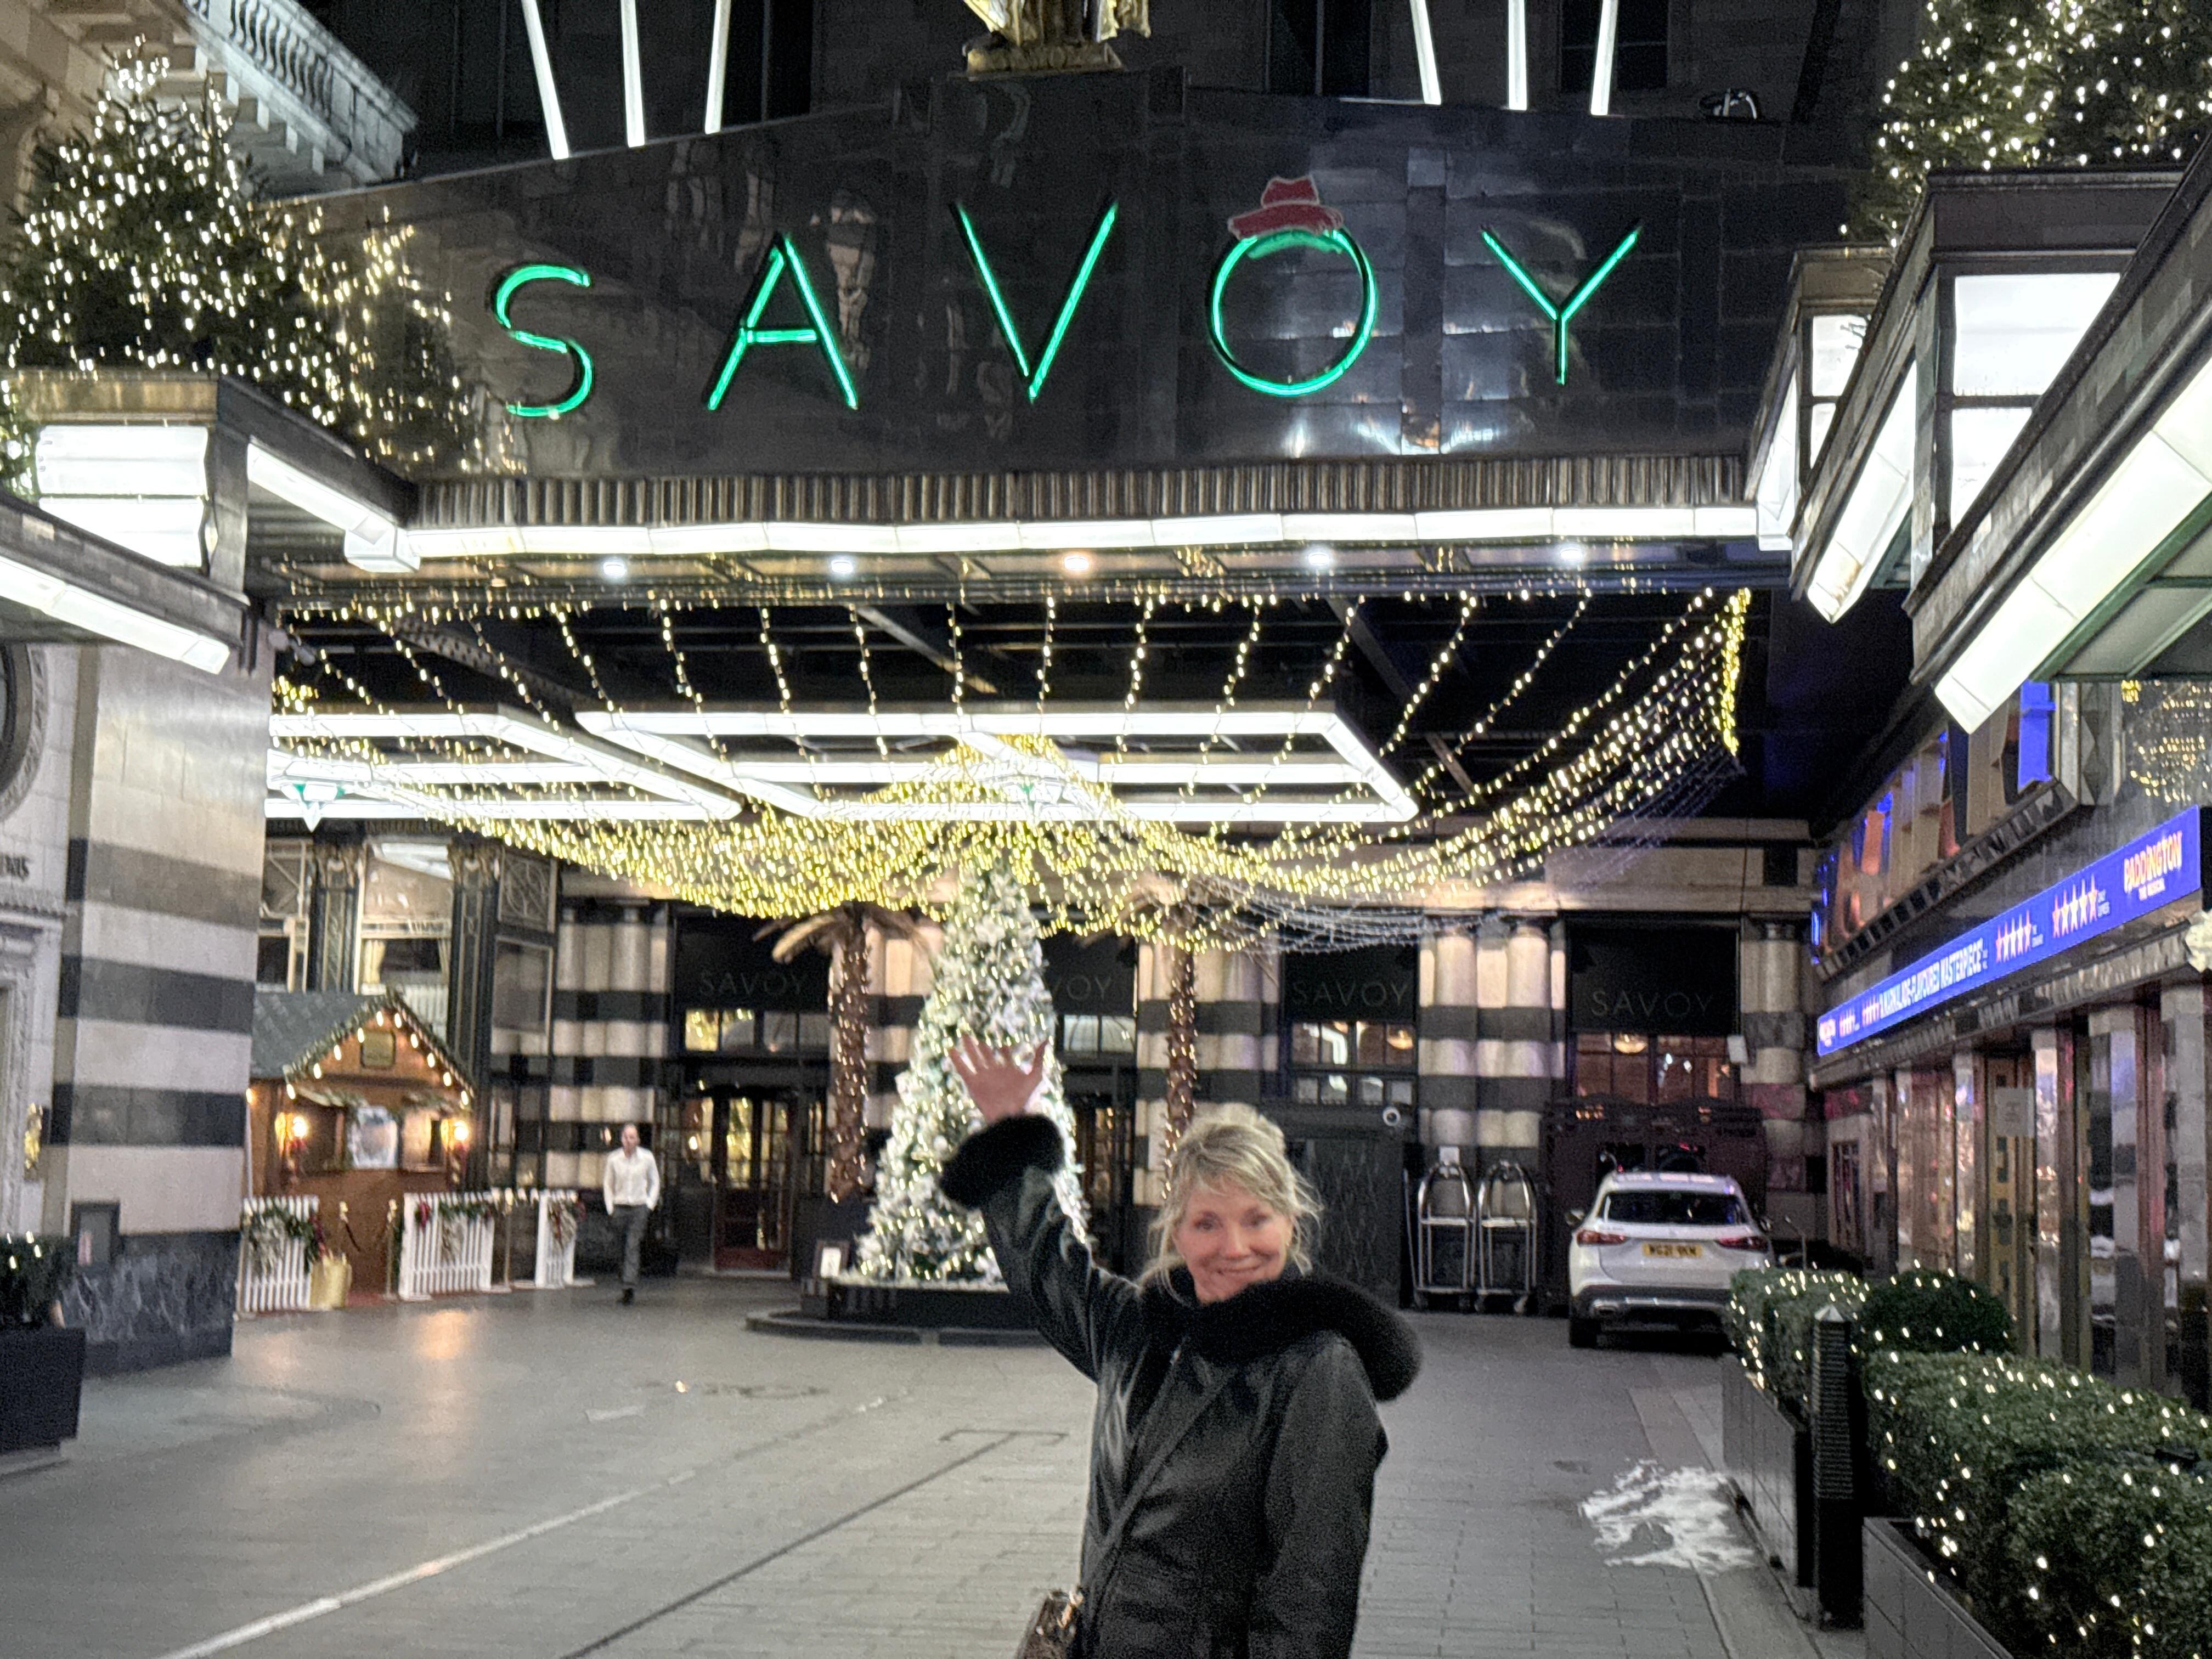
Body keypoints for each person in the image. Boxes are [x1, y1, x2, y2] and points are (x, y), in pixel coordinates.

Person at [941, 1037, 1419, 1659]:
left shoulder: (1318, 1370)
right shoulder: (1140, 1330)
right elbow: (1045, 1266)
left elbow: (1309, 1603)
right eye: (1207, 1223)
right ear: (1176, 1230)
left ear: (1291, 1225)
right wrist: (1007, 1133)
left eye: (1257, 1219)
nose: (1235, 1247)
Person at [601, 1122, 661, 1305]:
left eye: (632, 1137)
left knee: (633, 1245)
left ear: (638, 1140)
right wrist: (610, 1208)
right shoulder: (614, 1159)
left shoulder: (647, 1158)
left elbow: (655, 1182)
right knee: (619, 1247)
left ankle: (629, 1286)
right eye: (626, 1137)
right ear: (621, 1139)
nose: (629, 1140)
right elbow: (608, 1184)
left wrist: (649, 1205)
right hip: (620, 1207)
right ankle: (624, 1278)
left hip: (638, 1208)